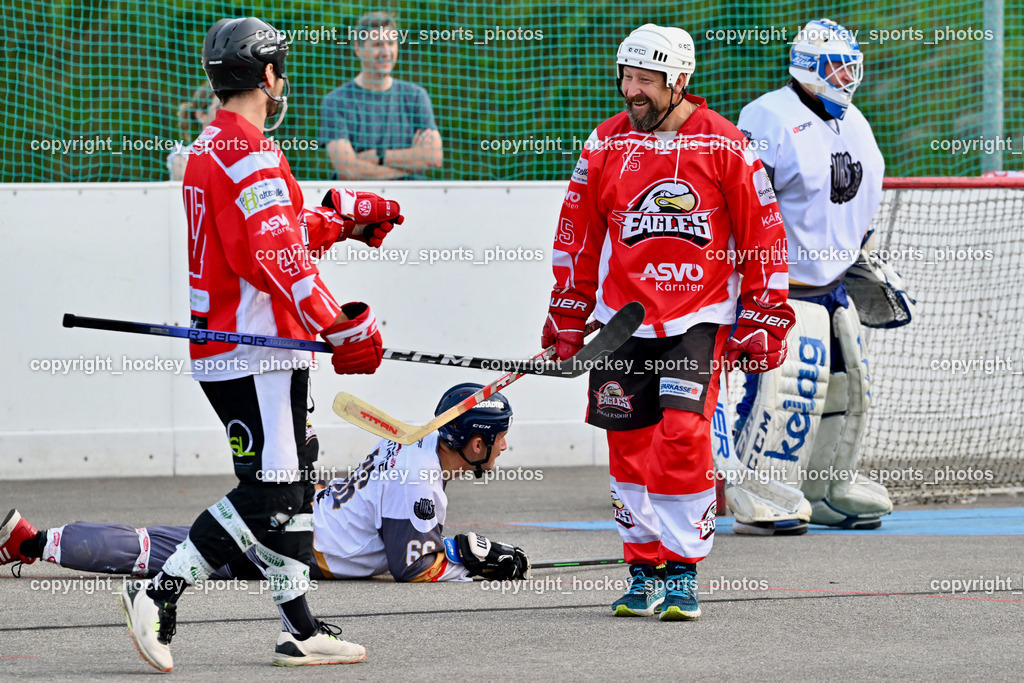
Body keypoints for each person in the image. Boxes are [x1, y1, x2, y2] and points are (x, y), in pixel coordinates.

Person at [115, 17, 407, 672]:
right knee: (273, 490)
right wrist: (342, 325)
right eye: (281, 70)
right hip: (260, 352)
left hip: (241, 349)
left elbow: (269, 227)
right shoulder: (250, 151)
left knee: (291, 484)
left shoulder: (213, 145)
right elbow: (275, 256)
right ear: (270, 76)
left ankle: (299, 629)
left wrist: (339, 216)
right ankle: (158, 591)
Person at [540, 24, 793, 621]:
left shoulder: (727, 145)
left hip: (699, 319)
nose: (632, 91)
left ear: (680, 81)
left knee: (680, 434)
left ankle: (681, 571)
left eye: (646, 80)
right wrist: (568, 315)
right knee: (628, 445)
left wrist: (765, 316)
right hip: (622, 322)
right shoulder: (604, 144)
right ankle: (642, 566)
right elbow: (577, 236)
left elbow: (765, 236)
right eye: (626, 77)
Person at [1, 384, 529, 585]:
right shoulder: (422, 481)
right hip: (296, 545)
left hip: (301, 525)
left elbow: (405, 545)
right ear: (475, 444)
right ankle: (31, 542)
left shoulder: (413, 450)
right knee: (166, 552)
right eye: (500, 438)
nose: (505, 448)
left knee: (172, 543)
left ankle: (33, 540)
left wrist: (462, 551)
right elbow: (410, 566)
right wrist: (469, 560)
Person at [731, 18, 895, 535]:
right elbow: (742, 205)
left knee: (849, 393)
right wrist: (754, 287)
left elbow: (860, 197)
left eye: (852, 64)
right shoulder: (766, 116)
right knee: (787, 393)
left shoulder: (857, 121)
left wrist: (861, 252)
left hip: (835, 286)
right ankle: (755, 491)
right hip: (785, 288)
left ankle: (827, 488)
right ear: (805, 66)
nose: (847, 75)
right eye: (835, 65)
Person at [319, 11, 442, 180]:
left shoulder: (415, 96)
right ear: (358, 48)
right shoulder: (336, 101)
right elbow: (348, 171)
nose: (386, 52)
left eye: (391, 43)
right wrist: (408, 165)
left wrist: (380, 156)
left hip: (411, 200)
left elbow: (434, 157)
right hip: (358, 203)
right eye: (377, 44)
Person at [167, 83, 219, 180]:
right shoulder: (182, 157)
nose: (226, 113)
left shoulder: (240, 149)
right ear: (201, 115)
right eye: (218, 108)